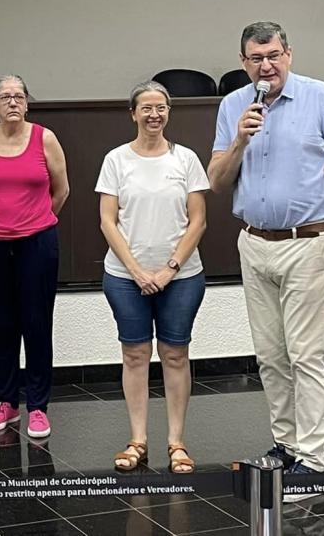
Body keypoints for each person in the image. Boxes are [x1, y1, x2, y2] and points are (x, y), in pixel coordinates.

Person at [208, 22, 324, 493]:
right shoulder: (233, 106)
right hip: (254, 242)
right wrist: (239, 141)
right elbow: (217, 181)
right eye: (257, 59)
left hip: (308, 242)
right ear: (243, 63)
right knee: (270, 355)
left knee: (305, 354)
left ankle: (312, 458)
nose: (267, 66)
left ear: (289, 55)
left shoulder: (320, 96)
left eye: (274, 56)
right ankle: (285, 444)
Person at [96, 80, 209, 474]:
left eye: (161, 107)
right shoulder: (116, 160)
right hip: (125, 277)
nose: (154, 114)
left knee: (175, 355)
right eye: (146, 108)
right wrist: (138, 271)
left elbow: (198, 221)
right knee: (135, 355)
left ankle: (177, 443)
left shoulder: (186, 159)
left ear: (168, 112)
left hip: (182, 277)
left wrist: (169, 269)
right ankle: (137, 441)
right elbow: (107, 221)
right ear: (133, 114)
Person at [0, 74, 69, 439]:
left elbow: (61, 190)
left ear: (26, 102)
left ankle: (38, 407)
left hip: (37, 242)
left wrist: (32, 221)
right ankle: (7, 402)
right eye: (5, 96)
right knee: (2, 323)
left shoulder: (45, 138)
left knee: (37, 323)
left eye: (19, 96)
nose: (13, 102)